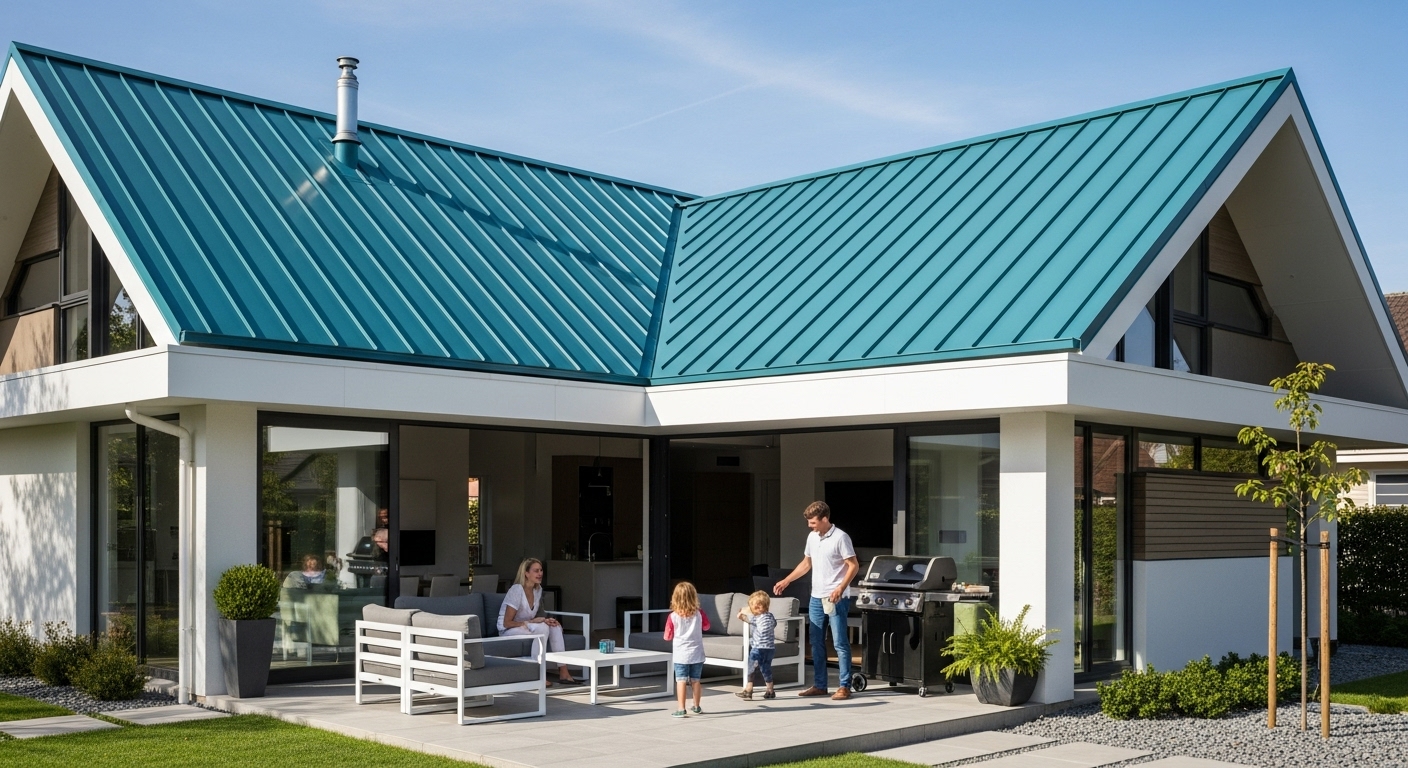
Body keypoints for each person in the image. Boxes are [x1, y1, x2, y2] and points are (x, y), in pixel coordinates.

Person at [774, 501, 860, 700]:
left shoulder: (841, 537)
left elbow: (853, 565)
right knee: (816, 642)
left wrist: (840, 588)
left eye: (813, 522)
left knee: (839, 642)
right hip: (816, 597)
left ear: (825, 519)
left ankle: (844, 686)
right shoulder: (812, 537)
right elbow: (806, 564)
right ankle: (820, 685)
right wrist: (787, 580)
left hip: (836, 597)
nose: (810, 526)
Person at [498, 558, 578, 685]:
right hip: (508, 630)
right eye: (536, 571)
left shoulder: (538, 589)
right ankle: (538, 674)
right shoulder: (516, 590)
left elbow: (538, 616)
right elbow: (506, 623)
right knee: (542, 629)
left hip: (526, 626)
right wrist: (531, 622)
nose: (540, 573)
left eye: (541, 570)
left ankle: (564, 672)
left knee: (555, 627)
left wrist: (547, 620)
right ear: (526, 573)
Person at [664, 581, 709, 717]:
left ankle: (681, 708)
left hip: (681, 654)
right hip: (697, 652)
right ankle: (696, 706)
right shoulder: (700, 613)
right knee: (696, 680)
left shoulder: (672, 616)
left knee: (681, 680)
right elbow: (706, 627)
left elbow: (667, 636)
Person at [734, 591, 777, 701]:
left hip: (758, 647)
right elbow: (774, 623)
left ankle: (748, 690)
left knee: (751, 667)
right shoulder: (770, 616)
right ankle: (770, 690)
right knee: (766, 668)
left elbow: (746, 618)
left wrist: (742, 615)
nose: (755, 608)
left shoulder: (757, 618)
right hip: (770, 648)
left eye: (757, 606)